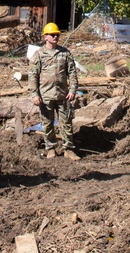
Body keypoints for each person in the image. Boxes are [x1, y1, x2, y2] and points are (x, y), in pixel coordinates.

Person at [29, 23, 80, 160]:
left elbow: (73, 74)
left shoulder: (65, 53)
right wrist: (34, 94)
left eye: (57, 35)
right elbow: (33, 75)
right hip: (45, 96)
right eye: (52, 35)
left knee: (66, 123)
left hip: (63, 95)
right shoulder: (39, 55)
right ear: (45, 37)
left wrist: (73, 90)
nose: (55, 37)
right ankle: (50, 148)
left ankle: (68, 149)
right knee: (47, 123)